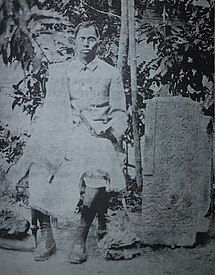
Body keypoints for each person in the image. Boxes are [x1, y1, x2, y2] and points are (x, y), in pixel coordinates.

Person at [7, 21, 127, 264]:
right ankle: (46, 236)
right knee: (39, 166)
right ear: (75, 41)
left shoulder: (110, 73)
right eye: (82, 39)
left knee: (96, 176)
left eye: (91, 39)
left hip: (96, 138)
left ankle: (80, 238)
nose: (86, 44)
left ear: (98, 42)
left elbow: (120, 113)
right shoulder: (61, 71)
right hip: (65, 134)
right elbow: (51, 110)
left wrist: (111, 130)